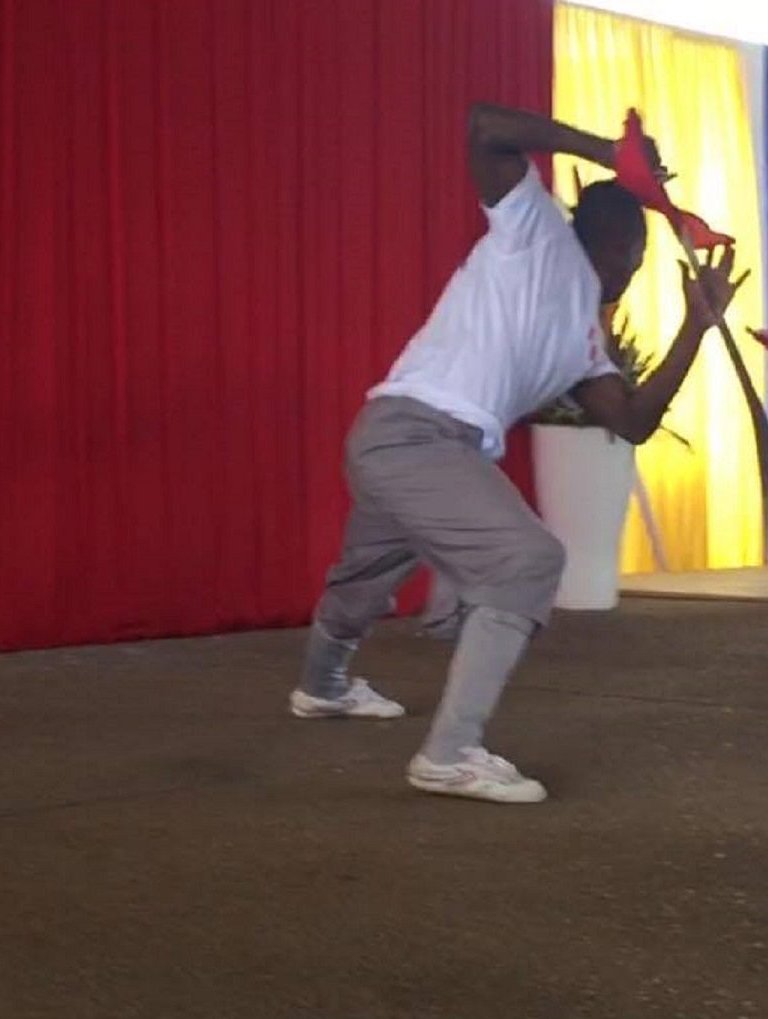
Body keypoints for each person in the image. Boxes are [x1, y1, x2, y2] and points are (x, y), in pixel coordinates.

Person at [289, 103, 743, 803]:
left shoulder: (584, 340)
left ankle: (322, 686)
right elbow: (484, 126)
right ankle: (449, 754)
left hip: (404, 445)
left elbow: (634, 422)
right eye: (639, 250)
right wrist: (606, 153)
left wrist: (697, 325)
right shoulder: (533, 231)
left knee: (364, 576)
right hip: (417, 435)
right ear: (621, 245)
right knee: (528, 559)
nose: (638, 265)